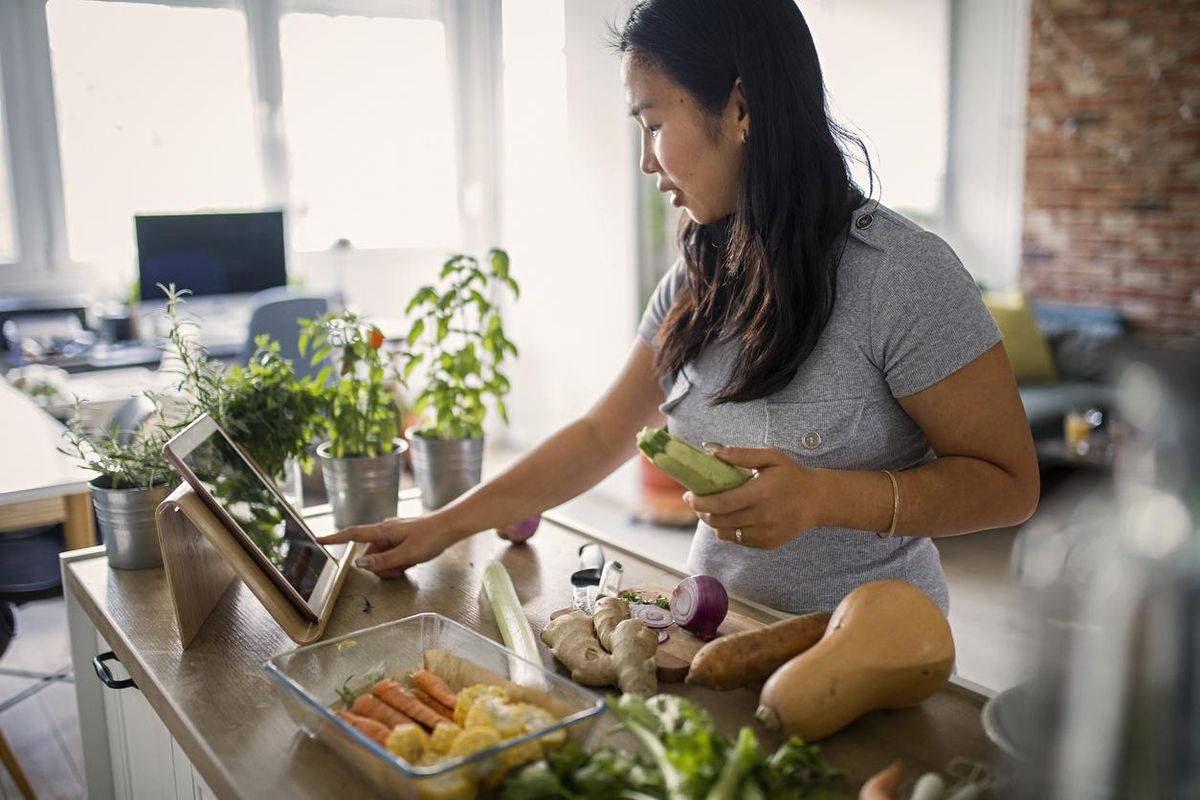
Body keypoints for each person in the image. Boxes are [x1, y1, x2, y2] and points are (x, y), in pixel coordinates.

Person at [319, 0, 1039, 615]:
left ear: (742, 107)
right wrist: (439, 526)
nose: (645, 161)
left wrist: (826, 498)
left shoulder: (903, 275)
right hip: (717, 634)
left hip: (873, 659)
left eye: (654, 123)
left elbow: (1011, 486)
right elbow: (603, 433)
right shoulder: (700, 275)